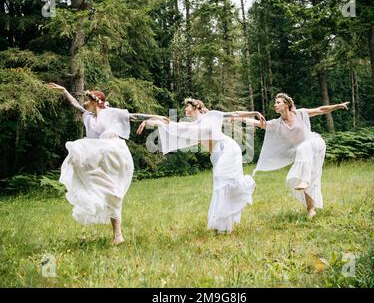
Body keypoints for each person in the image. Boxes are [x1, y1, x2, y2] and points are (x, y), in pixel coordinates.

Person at [48, 83, 167, 245]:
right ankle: (118, 236)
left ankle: (117, 234)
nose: (85, 103)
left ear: (96, 101)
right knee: (111, 193)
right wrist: (64, 91)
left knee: (79, 147)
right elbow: (76, 106)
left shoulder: (111, 113)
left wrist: (155, 117)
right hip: (101, 155)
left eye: (88, 100)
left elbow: (133, 116)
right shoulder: (89, 116)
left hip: (115, 153)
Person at [137, 98, 265, 232]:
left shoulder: (211, 116)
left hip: (228, 148)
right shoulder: (192, 125)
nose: (185, 109)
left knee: (220, 179)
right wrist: (148, 121)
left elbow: (234, 113)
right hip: (216, 154)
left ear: (195, 107)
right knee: (223, 182)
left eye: (187, 106)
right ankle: (244, 189)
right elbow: (167, 122)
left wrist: (255, 113)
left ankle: (221, 226)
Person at [235, 92, 349, 219]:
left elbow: (320, 110)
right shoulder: (276, 124)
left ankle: (305, 183)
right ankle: (311, 210)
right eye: (275, 103)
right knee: (307, 176)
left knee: (303, 151)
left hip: (315, 144)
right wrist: (239, 118)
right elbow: (255, 122)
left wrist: (338, 105)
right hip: (303, 153)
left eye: (278, 102)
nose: (275, 105)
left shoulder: (300, 113)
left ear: (286, 104)